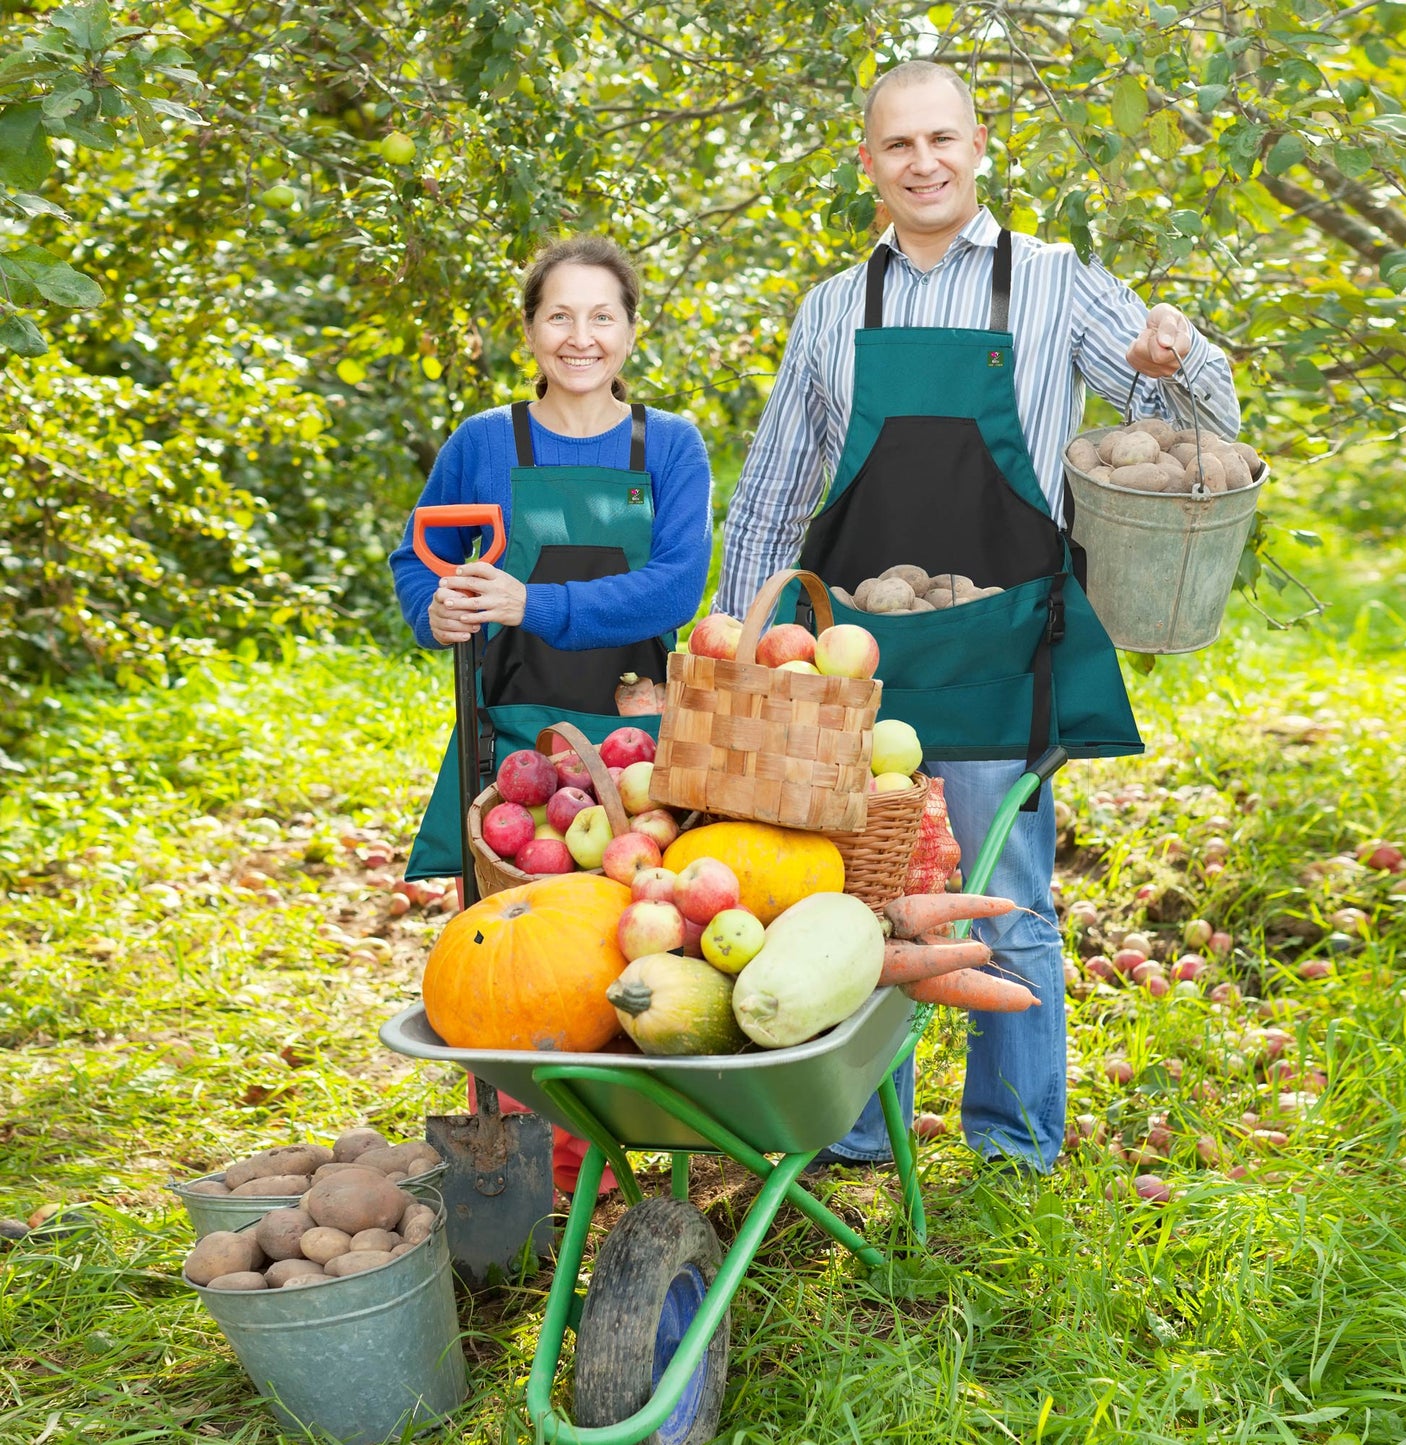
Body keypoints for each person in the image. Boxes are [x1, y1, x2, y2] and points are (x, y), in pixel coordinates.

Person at [716, 61, 1240, 1176]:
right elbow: (770, 492)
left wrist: (1173, 357)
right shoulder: (830, 309)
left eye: (942, 139)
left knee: (1004, 897)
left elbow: (1186, 427)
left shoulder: (1054, 281)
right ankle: (856, 1129)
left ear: (978, 144)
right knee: (846, 902)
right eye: (898, 145)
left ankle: (1012, 1144)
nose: (924, 162)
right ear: (867, 163)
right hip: (857, 655)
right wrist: (736, 652)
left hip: (1004, 645)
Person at [391, 234, 714, 1192]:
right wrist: (436, 607)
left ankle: (641, 1126)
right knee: (516, 951)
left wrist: (535, 603)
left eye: (601, 316)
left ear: (630, 329)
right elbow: (421, 558)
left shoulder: (670, 444)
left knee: (637, 936)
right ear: (530, 329)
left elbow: (672, 589)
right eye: (559, 316)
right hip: (514, 745)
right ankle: (546, 1158)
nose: (581, 337)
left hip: (636, 748)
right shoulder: (484, 442)